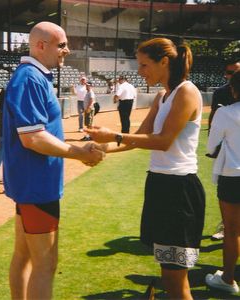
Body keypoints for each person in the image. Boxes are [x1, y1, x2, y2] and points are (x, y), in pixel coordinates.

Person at [87, 38, 205, 299]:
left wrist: (113, 136)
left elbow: (162, 141)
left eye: (144, 64)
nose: (140, 71)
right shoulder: (163, 96)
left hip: (180, 191)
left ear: (164, 62)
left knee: (176, 279)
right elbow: (138, 138)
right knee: (168, 274)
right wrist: (102, 150)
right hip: (160, 186)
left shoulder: (186, 92)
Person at [3, 21, 105, 300]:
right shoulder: (30, 78)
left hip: (33, 185)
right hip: (37, 187)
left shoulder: (35, 76)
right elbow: (33, 138)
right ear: (40, 45)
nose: (67, 50)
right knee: (45, 265)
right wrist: (79, 153)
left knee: (23, 256)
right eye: (61, 45)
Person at [205, 70, 240, 294]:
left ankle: (228, 279)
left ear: (233, 89)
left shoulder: (224, 113)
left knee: (232, 230)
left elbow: (210, 147)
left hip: (232, 176)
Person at [208, 58, 240, 241]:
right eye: (229, 73)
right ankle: (225, 225)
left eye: (235, 73)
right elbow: (213, 116)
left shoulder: (227, 109)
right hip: (229, 159)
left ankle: (229, 271)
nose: (231, 77)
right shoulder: (221, 92)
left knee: (232, 232)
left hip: (232, 168)